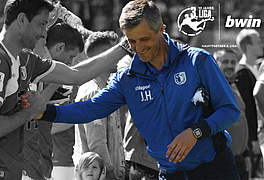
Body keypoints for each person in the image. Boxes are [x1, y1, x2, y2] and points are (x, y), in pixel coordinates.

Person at [39, 0, 240, 179]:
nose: (138, 47)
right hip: (170, 174)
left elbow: (230, 110)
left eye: (144, 39)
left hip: (214, 168)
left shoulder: (197, 61)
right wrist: (44, 111)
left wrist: (195, 132)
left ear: (161, 30)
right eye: (131, 41)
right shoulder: (128, 77)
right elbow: (90, 108)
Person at [0, 0, 128, 179]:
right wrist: (30, 112)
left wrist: (126, 46)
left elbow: (76, 74)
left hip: (10, 171)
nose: (44, 32)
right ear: (22, 20)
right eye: (41, 24)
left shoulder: (25, 59)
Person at [23, 23, 84, 180]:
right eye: (71, 57)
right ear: (59, 48)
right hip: (29, 163)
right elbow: (33, 111)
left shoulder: (46, 73)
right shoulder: (29, 69)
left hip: (43, 159)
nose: (70, 64)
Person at [75, 31, 125, 180]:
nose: (119, 56)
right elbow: (96, 144)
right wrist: (109, 174)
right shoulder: (94, 92)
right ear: (105, 56)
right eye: (114, 51)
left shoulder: (105, 88)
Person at [214, 49, 250, 180]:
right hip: (220, 161)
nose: (230, 65)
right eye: (225, 62)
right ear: (215, 63)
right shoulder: (211, 89)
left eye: (233, 62)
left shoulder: (235, 86)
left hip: (239, 158)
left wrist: (245, 154)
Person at [235, 28, 263, 177]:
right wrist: (253, 139)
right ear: (248, 46)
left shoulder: (258, 68)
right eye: (258, 42)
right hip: (254, 138)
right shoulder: (241, 73)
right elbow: (247, 109)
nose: (261, 44)